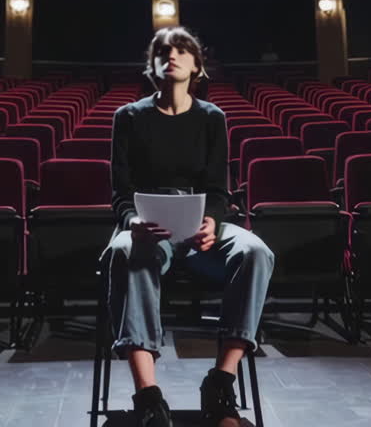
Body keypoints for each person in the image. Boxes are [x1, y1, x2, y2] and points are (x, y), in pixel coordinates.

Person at [105, 26, 276, 427]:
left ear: (197, 64)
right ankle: (148, 396)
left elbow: (218, 189)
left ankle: (220, 380)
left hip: (200, 221)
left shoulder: (212, 117)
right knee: (123, 251)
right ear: (152, 65)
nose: (172, 56)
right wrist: (133, 221)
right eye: (163, 51)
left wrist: (213, 222)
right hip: (149, 226)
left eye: (182, 50)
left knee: (255, 251)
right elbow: (120, 193)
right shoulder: (128, 117)